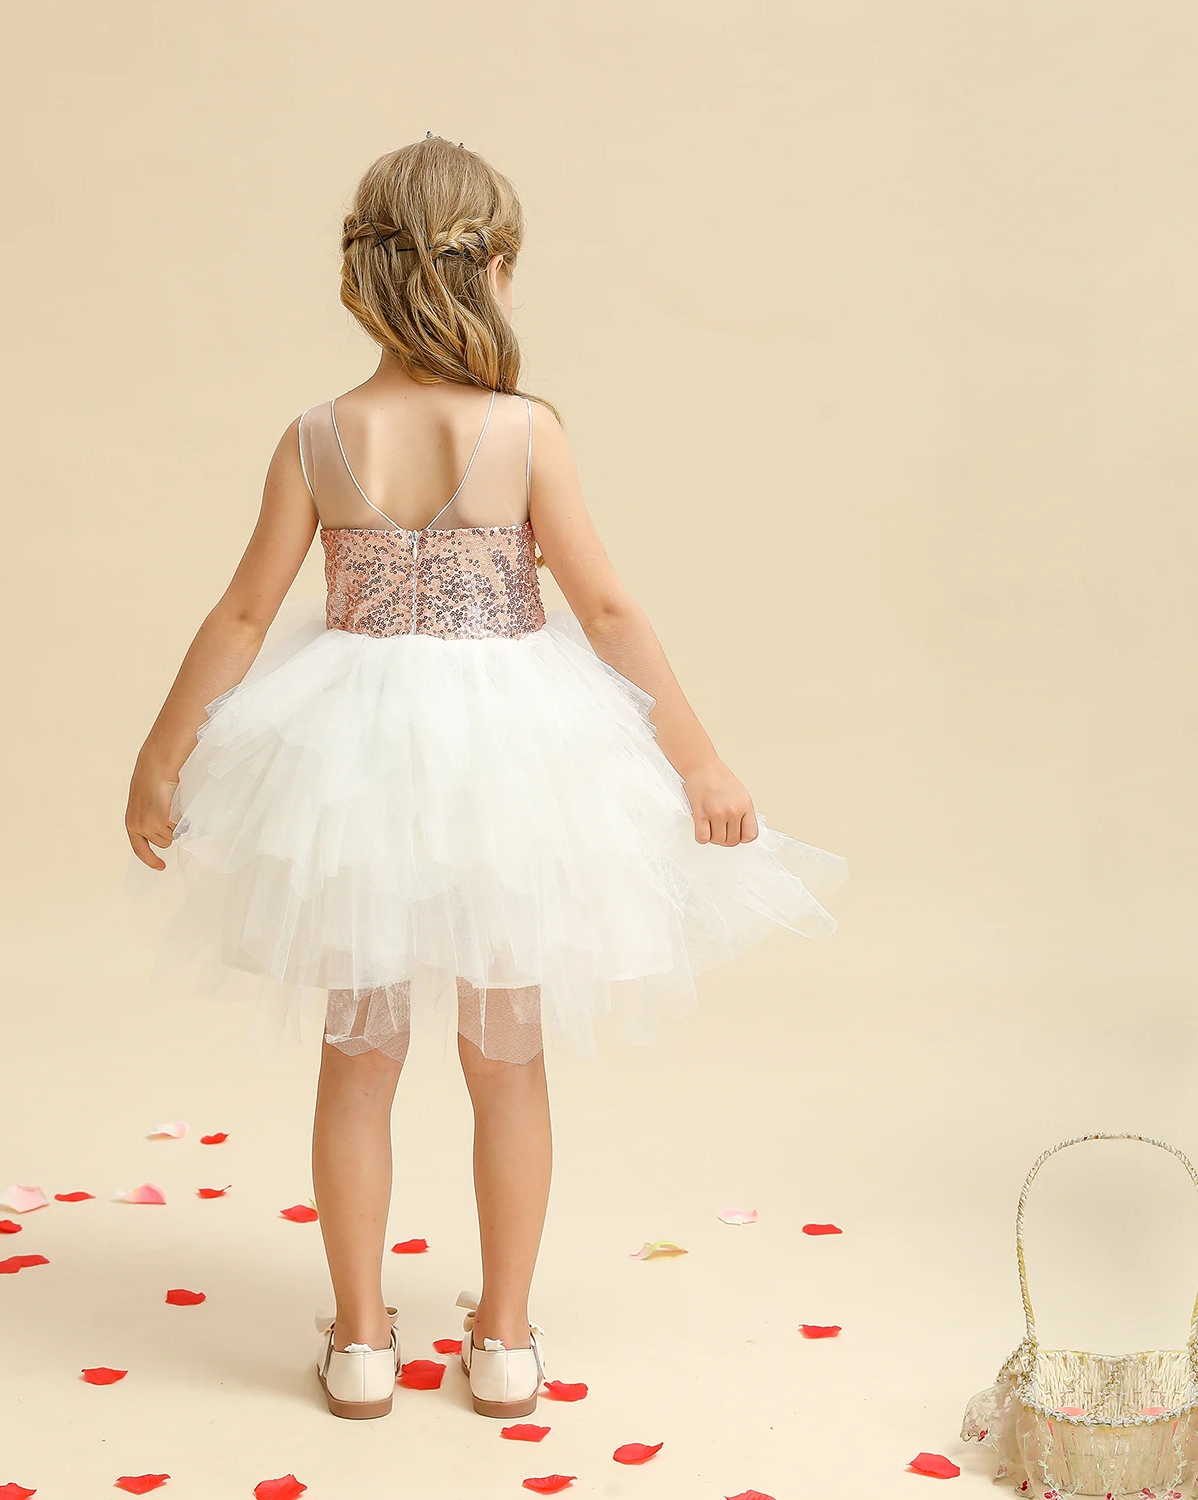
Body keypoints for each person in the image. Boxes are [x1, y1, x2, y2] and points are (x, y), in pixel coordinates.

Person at [123, 133, 846, 1421]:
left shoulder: (318, 435)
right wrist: (699, 760)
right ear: (493, 269)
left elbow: (243, 615)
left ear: (363, 273)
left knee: (359, 1059)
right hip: (513, 757)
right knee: (505, 1059)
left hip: (346, 759)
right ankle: (503, 1341)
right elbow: (607, 609)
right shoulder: (523, 429)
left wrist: (162, 756)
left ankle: (360, 1344)